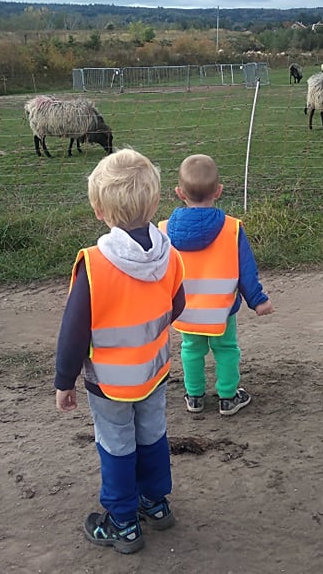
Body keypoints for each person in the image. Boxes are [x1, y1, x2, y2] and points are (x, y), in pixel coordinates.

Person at [54, 148, 186, 555]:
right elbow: (178, 305)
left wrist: (64, 381)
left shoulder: (94, 265)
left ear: (99, 210)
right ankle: (155, 503)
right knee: (152, 436)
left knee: (116, 445)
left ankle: (124, 522)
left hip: (109, 383)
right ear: (155, 202)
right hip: (154, 373)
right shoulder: (169, 254)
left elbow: (73, 333)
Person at [159, 154, 274, 417]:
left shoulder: (163, 231)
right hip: (221, 311)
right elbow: (246, 271)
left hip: (184, 310)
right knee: (226, 350)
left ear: (179, 193)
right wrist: (258, 301)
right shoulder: (231, 229)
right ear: (219, 191)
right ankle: (228, 397)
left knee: (190, 349)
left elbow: (159, 273)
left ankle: (194, 396)